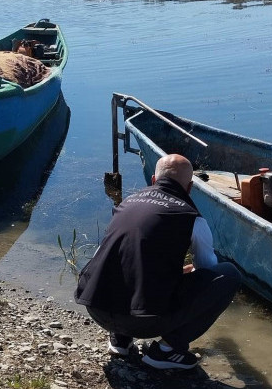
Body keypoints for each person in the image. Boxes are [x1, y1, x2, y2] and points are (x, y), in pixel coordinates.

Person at [75, 154, 242, 370]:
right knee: (229, 275)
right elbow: (208, 272)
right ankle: (167, 350)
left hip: (96, 308)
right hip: (143, 322)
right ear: (189, 187)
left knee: (122, 261)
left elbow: (106, 256)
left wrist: (173, 272)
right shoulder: (191, 217)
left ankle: (120, 340)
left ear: (154, 180)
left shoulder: (127, 204)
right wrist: (188, 274)